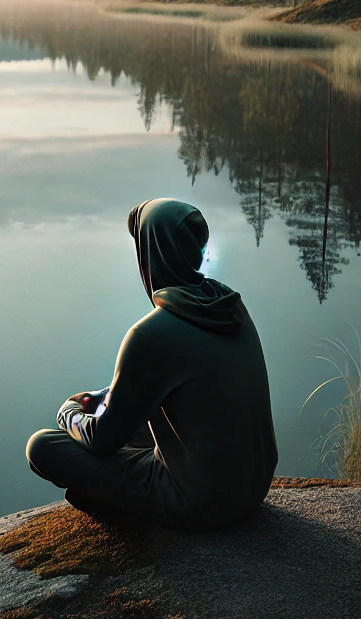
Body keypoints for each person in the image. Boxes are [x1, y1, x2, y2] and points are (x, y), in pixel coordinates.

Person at [25, 197, 277, 529]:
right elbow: (189, 385)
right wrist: (111, 395)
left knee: (42, 446)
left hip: (200, 503)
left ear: (150, 253)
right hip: (252, 490)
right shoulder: (230, 307)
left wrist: (69, 412)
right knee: (130, 421)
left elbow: (102, 440)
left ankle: (127, 508)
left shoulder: (149, 335)